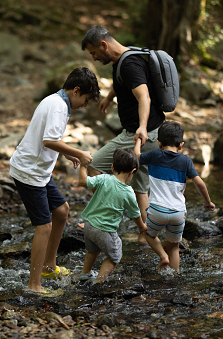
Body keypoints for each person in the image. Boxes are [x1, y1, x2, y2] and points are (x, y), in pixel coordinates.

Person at [10, 67, 101, 293]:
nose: (85, 105)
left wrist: (67, 153)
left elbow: (46, 139)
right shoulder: (59, 107)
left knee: (61, 210)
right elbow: (50, 141)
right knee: (44, 226)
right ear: (76, 91)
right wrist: (79, 152)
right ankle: (34, 285)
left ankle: (48, 266)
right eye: (86, 100)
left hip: (38, 171)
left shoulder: (55, 100)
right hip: (29, 172)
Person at [81, 25, 167, 241]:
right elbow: (125, 83)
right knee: (139, 186)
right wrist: (110, 97)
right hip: (141, 132)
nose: (94, 58)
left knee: (96, 166)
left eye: (93, 53)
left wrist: (142, 126)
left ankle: (110, 218)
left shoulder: (128, 63)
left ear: (104, 45)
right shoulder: (126, 57)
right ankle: (144, 232)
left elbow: (144, 96)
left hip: (140, 134)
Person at [134, 121, 215, 272]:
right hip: (178, 213)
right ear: (181, 145)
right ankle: (173, 277)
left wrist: (138, 141)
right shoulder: (186, 161)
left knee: (147, 234)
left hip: (157, 211)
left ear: (159, 143)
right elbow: (200, 184)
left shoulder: (154, 155)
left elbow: (136, 157)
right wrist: (207, 201)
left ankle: (163, 256)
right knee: (174, 247)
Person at [78, 148, 148, 284]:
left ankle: (84, 274)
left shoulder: (103, 178)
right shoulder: (128, 192)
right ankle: (99, 283)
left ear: (112, 167)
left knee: (92, 250)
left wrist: (83, 165)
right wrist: (142, 227)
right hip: (105, 230)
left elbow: (83, 181)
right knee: (115, 256)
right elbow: (135, 214)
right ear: (132, 172)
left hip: (89, 226)